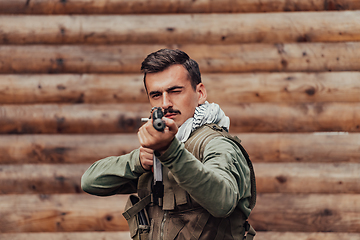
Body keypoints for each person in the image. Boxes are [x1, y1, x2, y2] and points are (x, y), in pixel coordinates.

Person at [81, 49, 256, 240]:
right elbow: (90, 182)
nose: (165, 103)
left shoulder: (217, 144)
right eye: (156, 95)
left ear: (200, 93)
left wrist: (170, 152)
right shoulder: (164, 146)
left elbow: (223, 202)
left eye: (175, 91)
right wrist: (137, 161)